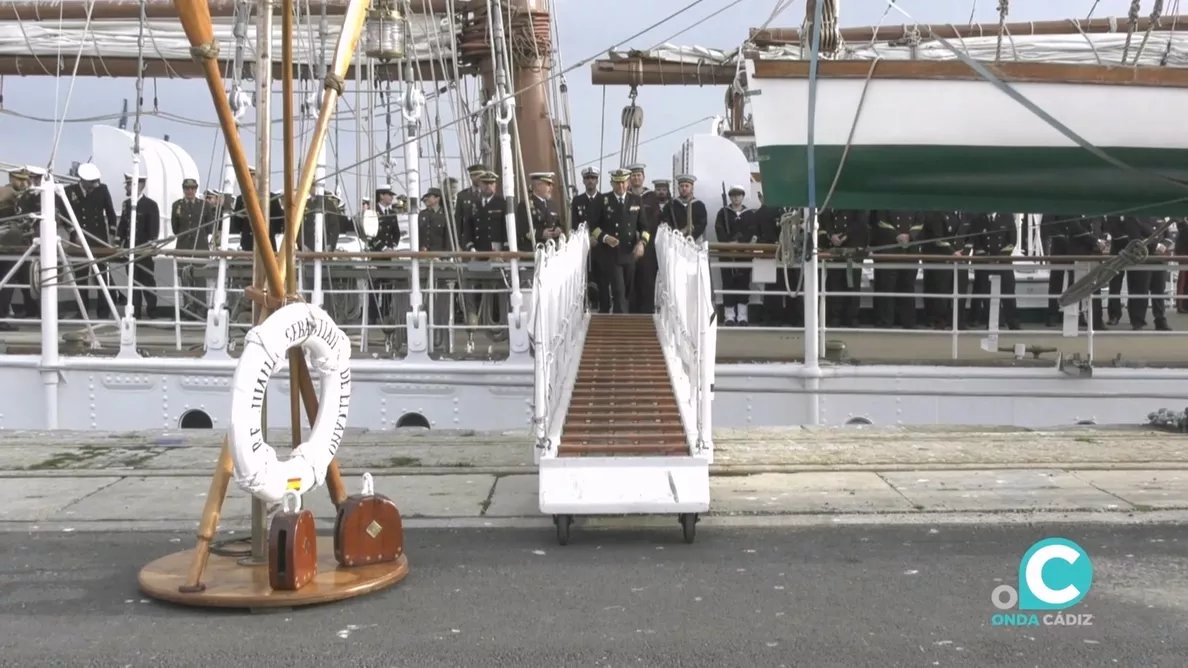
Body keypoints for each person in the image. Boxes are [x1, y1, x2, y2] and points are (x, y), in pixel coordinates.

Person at [61, 163, 118, 318]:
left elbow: (111, 213)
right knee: (80, 277)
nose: (94, 185)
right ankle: (82, 310)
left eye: (95, 181)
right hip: (78, 240)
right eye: (91, 182)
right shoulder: (69, 191)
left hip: (98, 239)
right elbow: (64, 215)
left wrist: (112, 235)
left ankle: (103, 310)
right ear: (83, 180)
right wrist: (73, 233)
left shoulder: (102, 189)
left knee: (101, 276)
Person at [590, 168, 648, 314]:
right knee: (619, 292)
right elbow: (593, 227)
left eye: (623, 183)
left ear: (628, 183)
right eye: (617, 183)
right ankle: (620, 324)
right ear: (612, 183)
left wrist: (642, 243)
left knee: (627, 291)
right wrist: (605, 237)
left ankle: (623, 317)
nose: (620, 187)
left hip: (630, 254)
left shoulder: (636, 200)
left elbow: (645, 228)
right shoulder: (603, 200)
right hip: (611, 254)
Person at [117, 172, 161, 319]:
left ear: (139, 185)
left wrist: (152, 244)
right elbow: (123, 225)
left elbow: (153, 227)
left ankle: (152, 310)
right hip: (130, 250)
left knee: (148, 281)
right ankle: (135, 311)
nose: (127, 188)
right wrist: (118, 243)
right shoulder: (127, 204)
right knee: (132, 282)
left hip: (144, 251)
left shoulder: (150, 205)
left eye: (129, 184)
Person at [968, 211, 1021, 330]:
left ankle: (1013, 323)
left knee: (1008, 293)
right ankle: (992, 322)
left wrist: (999, 257)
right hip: (984, 262)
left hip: (1003, 262)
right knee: (986, 294)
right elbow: (976, 242)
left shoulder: (1007, 217)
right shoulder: (977, 220)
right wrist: (987, 258)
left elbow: (1012, 240)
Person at [869, 210, 921, 329]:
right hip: (888, 249)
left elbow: (920, 221)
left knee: (907, 287)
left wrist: (910, 236)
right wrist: (897, 235)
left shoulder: (916, 199)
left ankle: (908, 321)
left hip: (910, 250)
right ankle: (885, 321)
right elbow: (880, 220)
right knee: (886, 287)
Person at [714, 185, 757, 326]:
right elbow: (719, 229)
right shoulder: (723, 213)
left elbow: (751, 230)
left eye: (738, 195)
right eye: (733, 195)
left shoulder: (749, 214)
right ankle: (729, 316)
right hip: (727, 254)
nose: (736, 198)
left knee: (743, 284)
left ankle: (742, 316)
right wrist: (728, 243)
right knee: (728, 284)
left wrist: (740, 243)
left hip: (743, 255)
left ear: (743, 196)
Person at [171, 178, 213, 319]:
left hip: (200, 246)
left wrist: (199, 236)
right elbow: (175, 228)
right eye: (187, 189)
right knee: (185, 277)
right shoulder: (177, 205)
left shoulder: (204, 205)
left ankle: (201, 307)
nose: (190, 191)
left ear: (196, 190)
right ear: (183, 190)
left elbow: (209, 227)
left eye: (192, 189)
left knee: (200, 279)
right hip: (183, 246)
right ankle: (189, 308)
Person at [820, 209, 870, 328]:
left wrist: (845, 235)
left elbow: (861, 220)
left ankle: (851, 317)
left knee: (852, 284)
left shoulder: (856, 198)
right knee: (834, 283)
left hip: (853, 247)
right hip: (833, 247)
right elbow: (824, 219)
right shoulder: (828, 201)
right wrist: (831, 235)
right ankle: (835, 317)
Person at [0, 167, 35, 328]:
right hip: (6, 247)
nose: (23, 182)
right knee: (6, 281)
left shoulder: (23, 196)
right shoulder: (6, 193)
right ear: (11, 178)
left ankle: (7, 314)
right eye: (19, 179)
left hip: (18, 246)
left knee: (13, 281)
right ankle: (3, 317)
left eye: (25, 179)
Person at [1123, 216, 1172, 331]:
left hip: (1159, 259)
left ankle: (1160, 319)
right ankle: (1138, 320)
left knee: (1159, 290)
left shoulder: (1160, 216)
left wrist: (1165, 245)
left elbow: (1168, 235)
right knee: (1140, 290)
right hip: (1142, 259)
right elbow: (1135, 237)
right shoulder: (1133, 217)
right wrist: (1156, 246)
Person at [632, 176, 668, 313]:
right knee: (630, 280)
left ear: (643, 178)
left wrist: (643, 236)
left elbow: (654, 219)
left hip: (648, 244)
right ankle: (631, 312)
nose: (636, 179)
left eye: (638, 176)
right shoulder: (627, 195)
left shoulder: (651, 198)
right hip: (629, 242)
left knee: (647, 279)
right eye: (633, 176)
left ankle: (647, 312)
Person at [571, 166, 603, 310]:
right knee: (584, 276)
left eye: (593, 178)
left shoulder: (604, 199)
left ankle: (601, 305)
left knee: (601, 276)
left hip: (601, 245)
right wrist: (586, 239)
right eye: (587, 178)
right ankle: (584, 304)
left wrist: (596, 237)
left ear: (597, 181)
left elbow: (605, 223)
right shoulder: (577, 201)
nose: (590, 181)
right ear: (583, 181)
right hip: (583, 246)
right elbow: (574, 225)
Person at [515, 172, 562, 247]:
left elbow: (558, 223)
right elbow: (522, 230)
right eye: (549, 184)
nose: (551, 188)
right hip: (535, 250)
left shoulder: (552, 205)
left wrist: (559, 229)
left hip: (552, 249)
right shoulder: (525, 205)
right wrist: (541, 234)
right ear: (538, 186)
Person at [660, 174, 707, 241]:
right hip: (674, 241)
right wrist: (677, 234)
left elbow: (701, 224)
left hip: (694, 243)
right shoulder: (670, 205)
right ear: (678, 188)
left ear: (692, 188)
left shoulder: (699, 205)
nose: (684, 188)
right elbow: (666, 223)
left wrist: (689, 236)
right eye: (682, 186)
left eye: (687, 186)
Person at [1104, 215, 1129, 326]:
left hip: (1135, 249)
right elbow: (1113, 229)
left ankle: (1137, 317)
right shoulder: (1115, 211)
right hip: (1117, 251)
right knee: (1115, 285)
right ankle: (1114, 314)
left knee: (1137, 285)